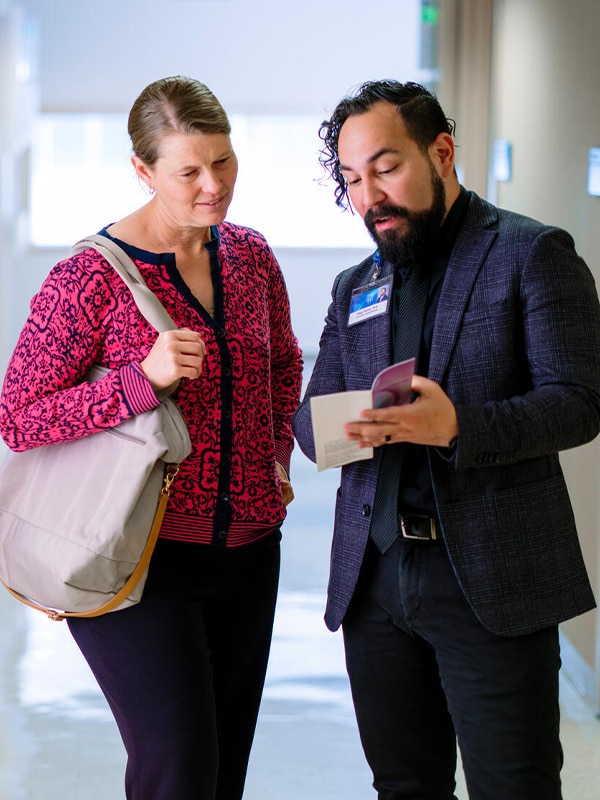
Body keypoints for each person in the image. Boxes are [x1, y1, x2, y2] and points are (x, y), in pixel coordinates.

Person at [292, 79, 600, 799]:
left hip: (491, 577)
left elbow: (580, 403)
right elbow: (309, 422)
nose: (370, 197)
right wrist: (353, 426)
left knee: (513, 787)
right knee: (404, 785)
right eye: (353, 180)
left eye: (386, 168)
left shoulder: (531, 252)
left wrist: (457, 426)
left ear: (441, 152)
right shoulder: (355, 284)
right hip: (374, 579)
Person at [0, 75, 302, 800]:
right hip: (139, 556)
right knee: (180, 764)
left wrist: (276, 459)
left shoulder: (251, 257)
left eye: (223, 161)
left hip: (250, 552)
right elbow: (19, 416)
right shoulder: (87, 278)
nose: (214, 186)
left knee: (223, 770)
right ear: (143, 169)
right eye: (189, 171)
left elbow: (285, 365)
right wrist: (140, 380)